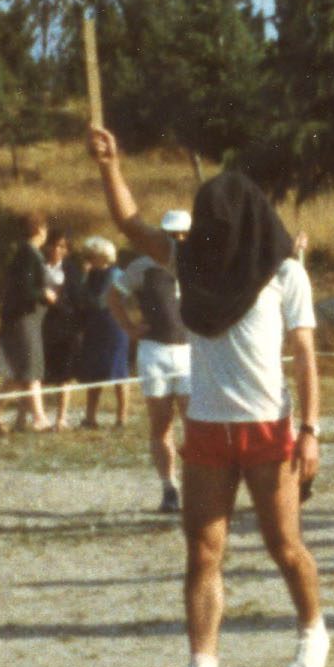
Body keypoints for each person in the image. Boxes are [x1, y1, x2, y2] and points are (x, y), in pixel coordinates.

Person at [88, 127, 327, 667]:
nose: (211, 229)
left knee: (284, 546)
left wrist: (312, 430)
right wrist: (110, 165)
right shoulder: (188, 262)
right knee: (202, 550)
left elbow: (305, 356)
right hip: (207, 430)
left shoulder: (285, 273)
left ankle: (312, 629)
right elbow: (129, 224)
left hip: (269, 428)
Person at [110, 209, 194, 514]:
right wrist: (129, 328)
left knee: (194, 423)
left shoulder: (200, 264)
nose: (178, 240)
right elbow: (113, 295)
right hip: (154, 352)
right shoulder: (142, 266)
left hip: (189, 352)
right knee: (161, 423)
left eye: (183, 234)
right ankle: (168, 487)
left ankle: (197, 488)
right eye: (173, 234)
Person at [0, 212, 52, 433]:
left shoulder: (29, 253)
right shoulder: (28, 254)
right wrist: (45, 295)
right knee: (29, 369)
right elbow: (25, 289)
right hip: (22, 319)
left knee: (17, 372)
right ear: (39, 230)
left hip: (29, 319)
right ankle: (40, 419)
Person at [75, 238, 132, 429]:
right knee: (94, 373)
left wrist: (83, 280)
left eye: (92, 256)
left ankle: (121, 418)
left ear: (102, 257)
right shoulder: (94, 274)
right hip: (96, 327)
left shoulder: (115, 274)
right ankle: (90, 417)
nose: (88, 259)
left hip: (113, 327)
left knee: (119, 372)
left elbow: (101, 301)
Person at [40, 230, 85, 431]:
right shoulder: (39, 267)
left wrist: (57, 301)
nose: (57, 250)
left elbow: (77, 299)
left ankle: (61, 417)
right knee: (40, 372)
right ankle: (37, 417)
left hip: (66, 324)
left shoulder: (71, 270)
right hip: (43, 324)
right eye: (55, 245)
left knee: (64, 374)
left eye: (62, 247)